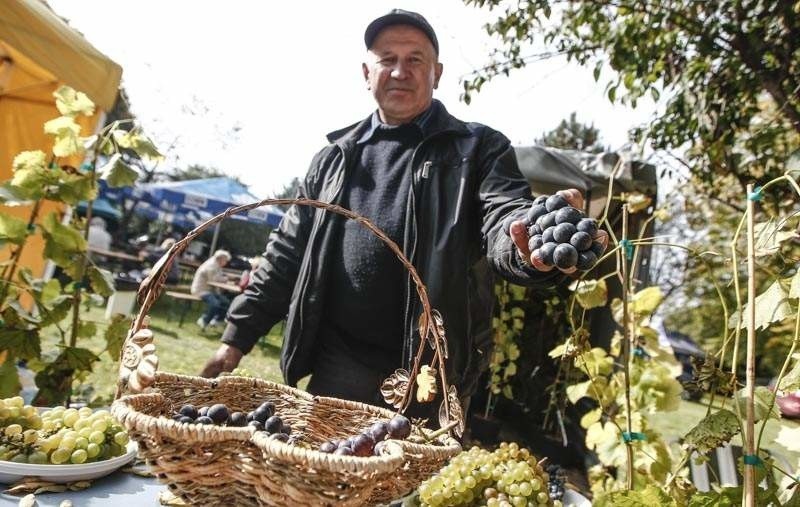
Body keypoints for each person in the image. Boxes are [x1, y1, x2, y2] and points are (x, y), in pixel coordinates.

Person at [200, 9, 607, 414]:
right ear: (366, 72)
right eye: (387, 59)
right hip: (338, 366)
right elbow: (285, 256)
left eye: (415, 59)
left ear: (437, 73)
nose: (400, 71)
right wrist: (234, 342)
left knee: (414, 478)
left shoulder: (478, 149)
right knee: (327, 472)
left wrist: (528, 243)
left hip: (430, 375)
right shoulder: (332, 159)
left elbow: (504, 217)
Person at [191, 249, 232, 330]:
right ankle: (204, 320)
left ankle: (217, 320)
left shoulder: (217, 265)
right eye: (225, 260)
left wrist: (225, 279)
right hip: (201, 290)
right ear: (221, 258)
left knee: (226, 302)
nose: (226, 262)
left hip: (210, 291)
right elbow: (213, 280)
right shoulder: (211, 265)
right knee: (215, 304)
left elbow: (218, 278)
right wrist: (227, 279)